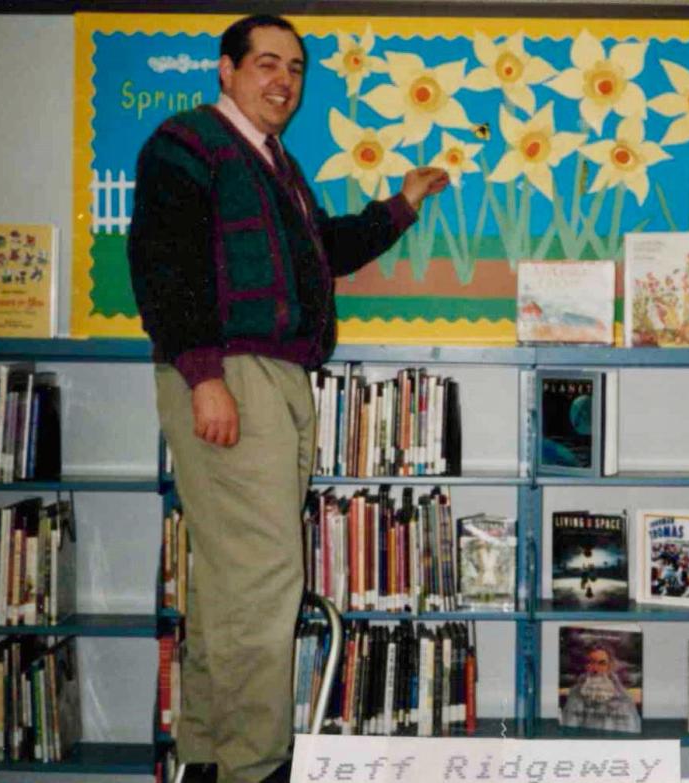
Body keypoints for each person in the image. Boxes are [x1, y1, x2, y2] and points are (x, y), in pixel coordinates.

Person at [127, 13, 448, 783]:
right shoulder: (190, 144)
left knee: (231, 581)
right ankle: (254, 768)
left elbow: (323, 252)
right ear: (226, 71)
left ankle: (205, 757)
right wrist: (205, 376)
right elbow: (161, 265)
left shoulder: (276, 164)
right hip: (232, 373)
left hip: (275, 377)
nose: (284, 81)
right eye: (267, 63)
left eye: (296, 69)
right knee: (266, 579)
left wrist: (398, 206)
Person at [561, 643, 642, 733]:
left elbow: (629, 730)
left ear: (609, 667)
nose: (596, 669)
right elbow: (569, 727)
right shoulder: (575, 694)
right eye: (591, 662)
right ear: (586, 666)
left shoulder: (623, 698)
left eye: (602, 663)